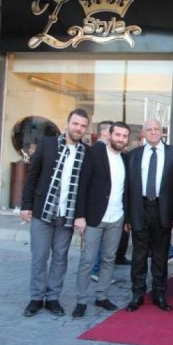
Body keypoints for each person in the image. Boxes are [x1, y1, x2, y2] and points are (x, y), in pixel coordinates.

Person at [20, 108, 91, 317]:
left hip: (67, 215)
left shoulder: (86, 153)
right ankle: (36, 297)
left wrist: (81, 215)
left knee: (60, 258)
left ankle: (53, 298)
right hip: (43, 211)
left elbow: (84, 187)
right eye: (75, 124)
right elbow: (32, 176)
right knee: (39, 256)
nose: (78, 128)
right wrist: (26, 205)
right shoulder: (47, 144)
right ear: (68, 123)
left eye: (83, 126)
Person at [72, 121, 131, 318]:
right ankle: (81, 300)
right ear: (109, 135)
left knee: (109, 259)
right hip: (94, 217)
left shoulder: (126, 159)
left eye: (124, 136)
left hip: (117, 218)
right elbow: (82, 186)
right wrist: (80, 215)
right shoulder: (94, 154)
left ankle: (102, 296)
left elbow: (127, 191)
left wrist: (127, 218)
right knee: (87, 260)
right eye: (118, 135)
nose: (121, 139)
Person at [126, 119, 173, 312]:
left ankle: (159, 294)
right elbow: (127, 188)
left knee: (160, 256)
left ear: (162, 132)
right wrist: (128, 217)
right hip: (139, 208)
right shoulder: (133, 155)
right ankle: (137, 294)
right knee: (139, 255)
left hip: (163, 210)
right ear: (143, 133)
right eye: (149, 129)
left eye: (156, 129)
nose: (153, 132)